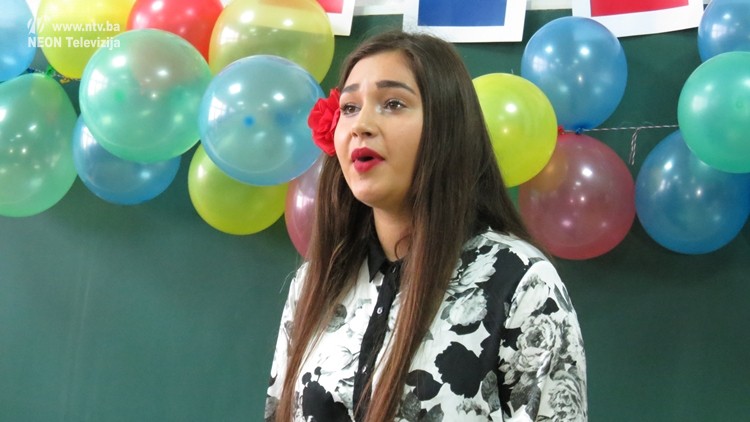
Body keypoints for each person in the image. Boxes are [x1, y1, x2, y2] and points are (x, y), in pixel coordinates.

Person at [265, 30, 587, 422]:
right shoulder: (314, 283)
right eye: (349, 107)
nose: (361, 125)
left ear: (446, 127)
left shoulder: (520, 280)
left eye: (393, 103)